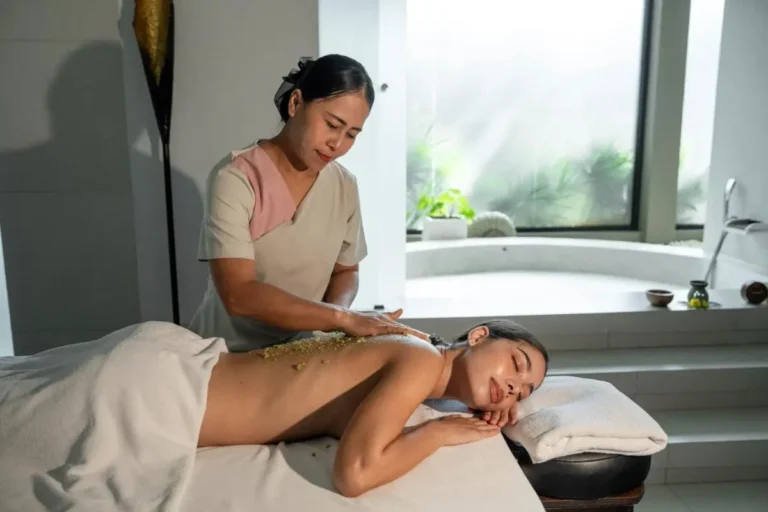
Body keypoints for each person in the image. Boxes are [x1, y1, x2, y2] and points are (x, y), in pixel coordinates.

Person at [189, 54, 418, 353]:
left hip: (302, 352)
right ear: (295, 103)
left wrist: (331, 331)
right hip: (224, 353)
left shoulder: (344, 186)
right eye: (332, 124)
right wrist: (341, 318)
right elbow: (238, 295)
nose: (337, 144)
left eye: (351, 134)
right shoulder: (236, 178)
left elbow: (345, 272)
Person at [199, 318, 549, 497]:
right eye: (516, 365)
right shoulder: (421, 361)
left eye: (521, 393)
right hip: (180, 395)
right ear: (478, 336)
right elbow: (355, 476)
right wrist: (437, 431)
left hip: (191, 372)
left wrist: (490, 409)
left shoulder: (415, 349)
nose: (512, 387)